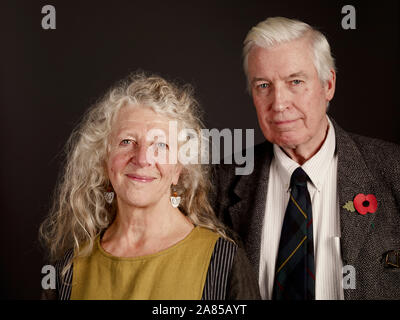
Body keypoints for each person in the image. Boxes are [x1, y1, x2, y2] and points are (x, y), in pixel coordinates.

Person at [213, 17, 400, 300]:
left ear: (328, 85)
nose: (278, 103)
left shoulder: (392, 169)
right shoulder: (219, 182)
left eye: (296, 81)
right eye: (263, 85)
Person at [39, 72, 261, 300]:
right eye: (127, 142)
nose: (142, 158)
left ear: (179, 168)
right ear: (104, 160)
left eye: (161, 145)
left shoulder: (224, 263)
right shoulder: (66, 271)